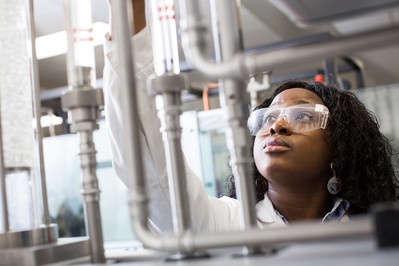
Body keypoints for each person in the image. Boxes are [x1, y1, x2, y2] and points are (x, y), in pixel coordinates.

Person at [103, 1, 399, 232]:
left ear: (339, 145)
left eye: (302, 116)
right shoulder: (228, 224)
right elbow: (154, 171)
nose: (278, 126)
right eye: (267, 119)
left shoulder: (377, 227)